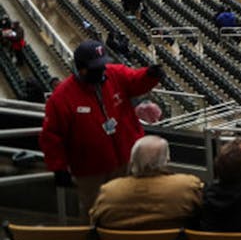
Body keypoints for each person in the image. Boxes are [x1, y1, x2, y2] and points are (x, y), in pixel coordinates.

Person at [40, 39, 163, 216]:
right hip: (91, 170)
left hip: (126, 159)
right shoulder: (62, 98)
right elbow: (52, 136)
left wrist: (149, 75)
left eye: (103, 65)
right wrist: (58, 167)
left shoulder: (115, 73)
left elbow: (135, 81)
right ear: (81, 68)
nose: (102, 70)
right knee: (96, 210)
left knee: (132, 206)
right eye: (96, 68)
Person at [89, 135, 202, 229]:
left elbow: (95, 223)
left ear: (132, 161)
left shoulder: (109, 192)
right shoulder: (187, 186)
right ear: (167, 160)